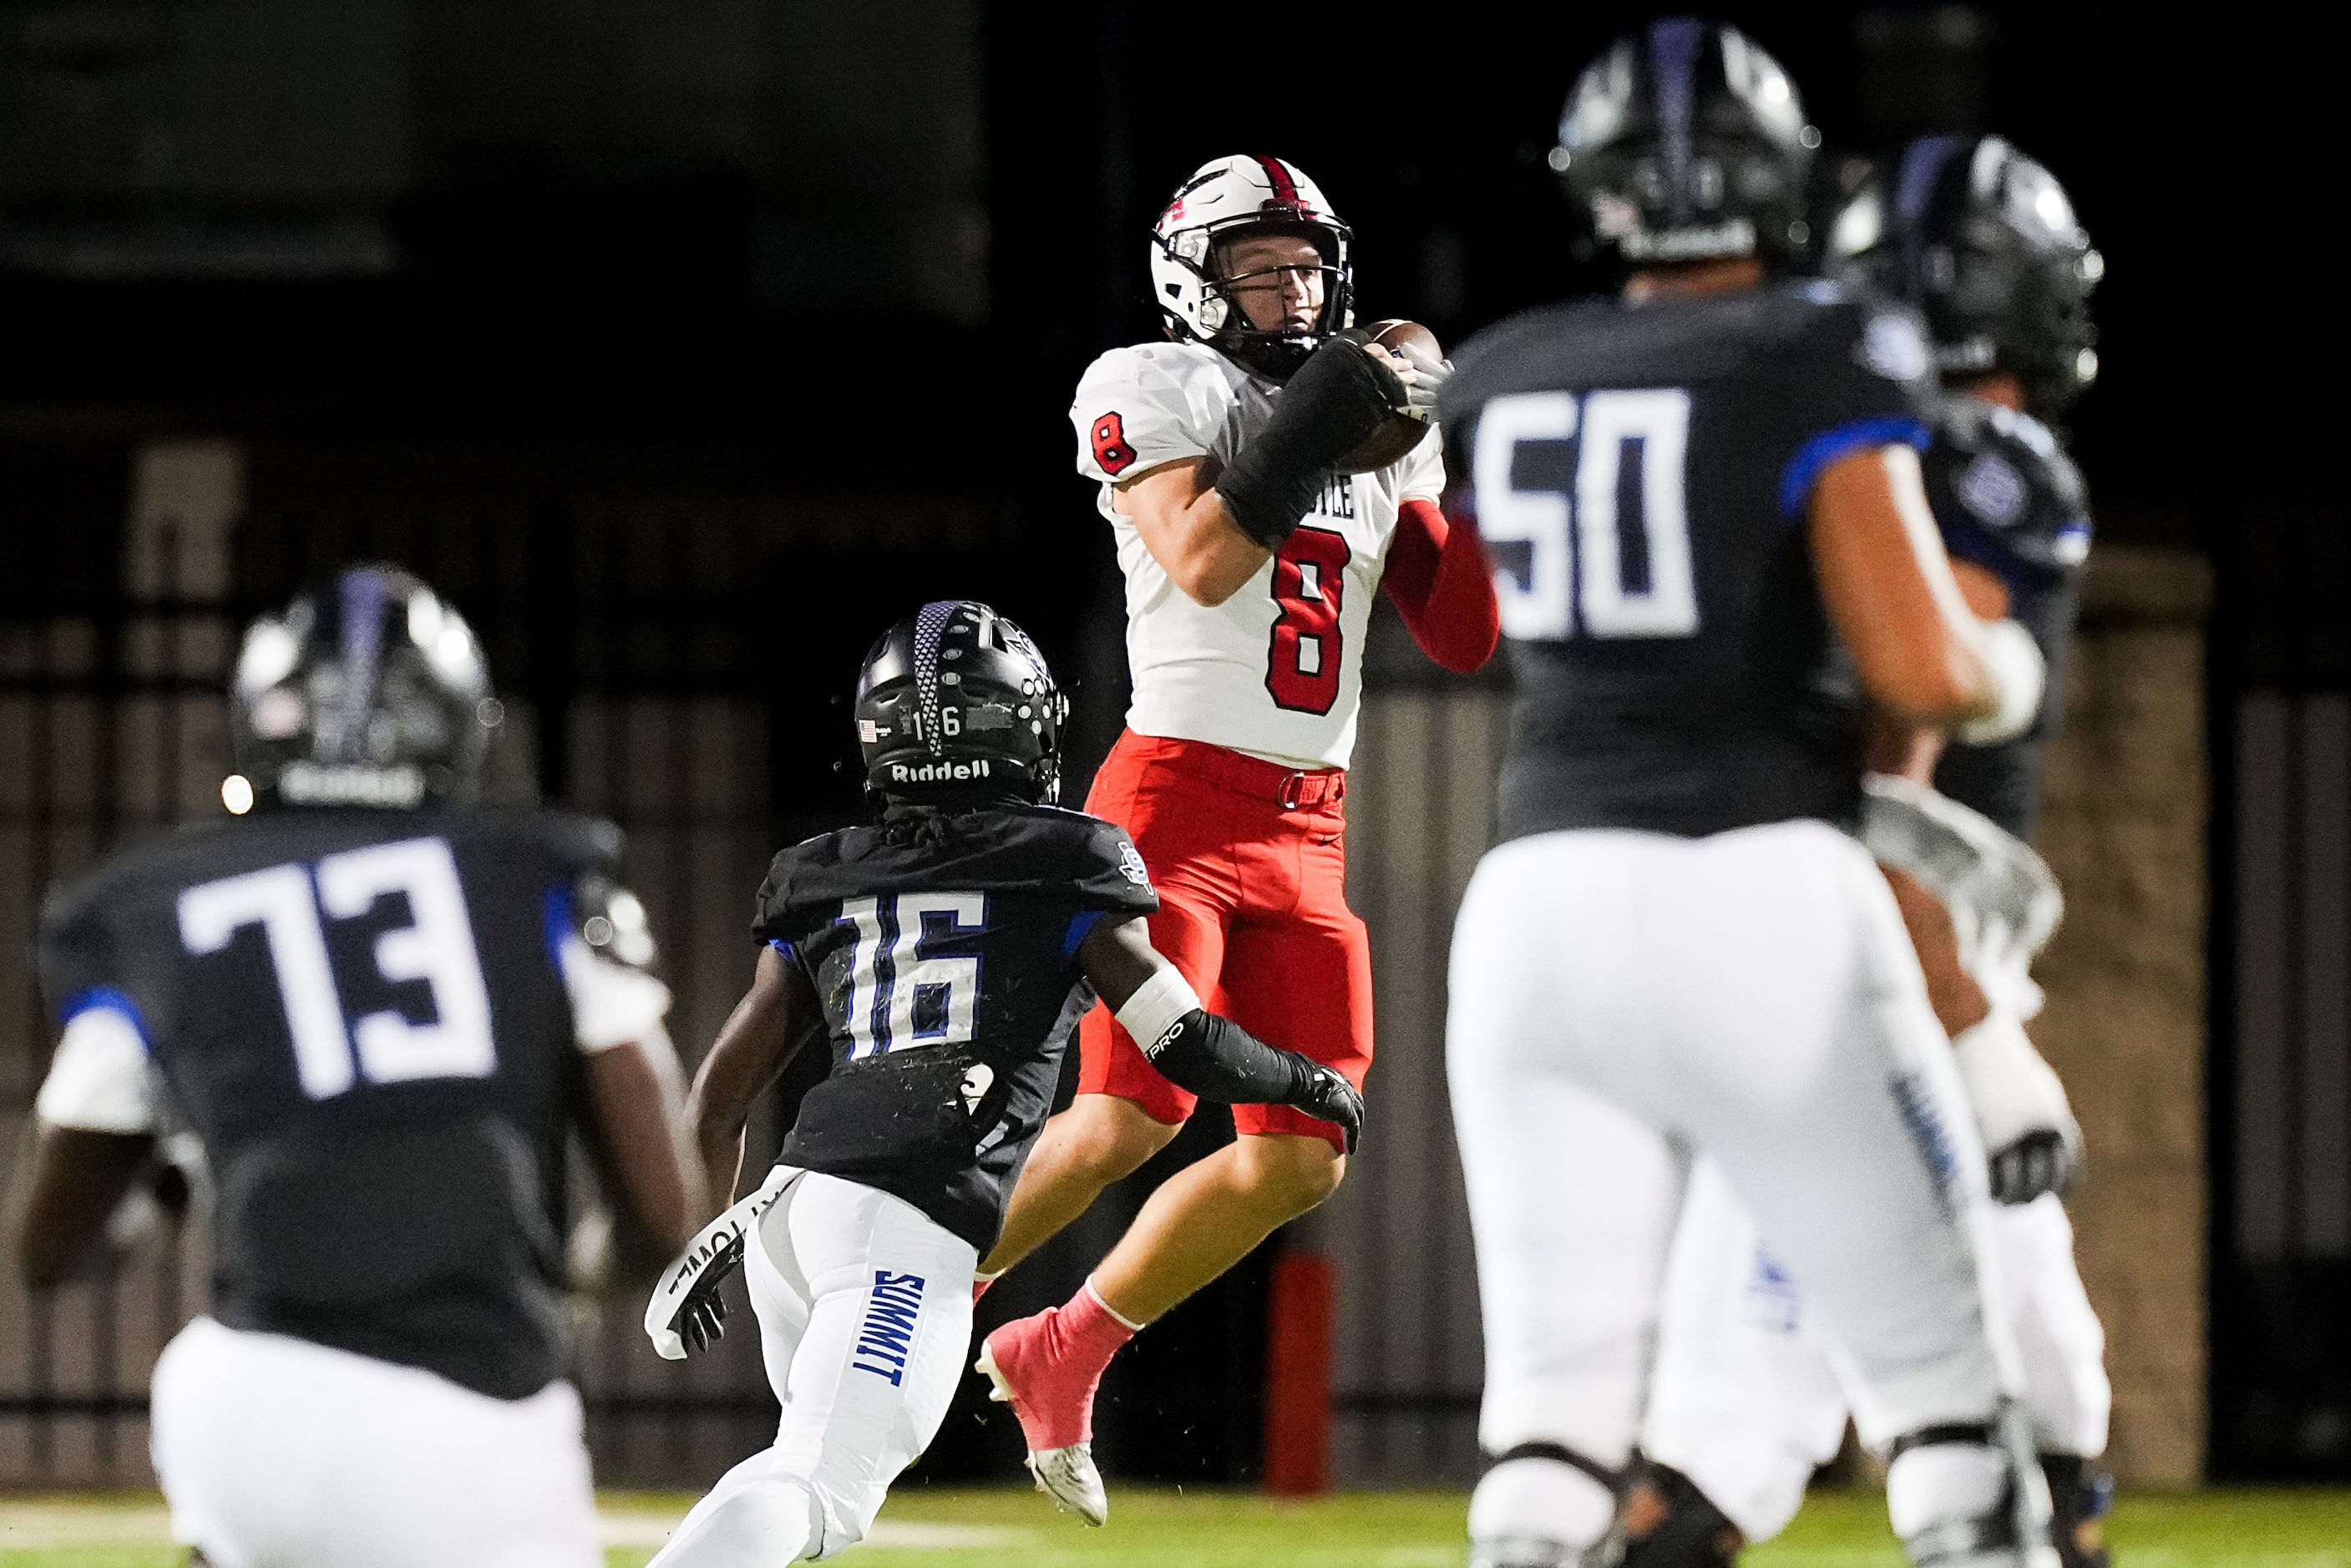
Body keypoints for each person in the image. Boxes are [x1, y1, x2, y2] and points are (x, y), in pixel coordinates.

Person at [1437, 21, 2061, 1568]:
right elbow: (1918, 666)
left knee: (1552, 1443)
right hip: (1756, 886)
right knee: (1949, 1417)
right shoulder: (1816, 351)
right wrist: (2003, 669)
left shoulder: (1501, 368)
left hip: (1531, 901)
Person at [971, 149, 1499, 1522]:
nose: (1291, 288)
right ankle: (896, 1297)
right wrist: (1322, 422)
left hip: (1308, 830)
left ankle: (1061, 1344)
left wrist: (1483, 465)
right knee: (1127, 1112)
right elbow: (1206, 555)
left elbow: (1461, 629)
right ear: (1189, 281)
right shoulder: (1150, 383)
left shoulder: (1378, 419)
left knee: (1305, 1146)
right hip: (1172, 812)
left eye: (1307, 264)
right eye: (1259, 266)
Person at [1624, 134, 2113, 1568]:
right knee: (1742, 1430)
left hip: (1802, 930)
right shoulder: (1981, 470)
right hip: (1848, 962)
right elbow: (1883, 768)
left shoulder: (1808, 445)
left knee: (2050, 1401)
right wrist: (1972, 1036)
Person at [636, 599, 1362, 1561]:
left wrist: (704, 1227)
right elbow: (1179, 1041)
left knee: (804, 1480)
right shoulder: (1069, 862)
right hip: (903, 1227)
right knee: (816, 1486)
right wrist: (1304, 1082)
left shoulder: (824, 873)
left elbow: (719, 1100)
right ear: (1023, 723)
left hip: (785, 1216)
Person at [7, 564, 700, 1568]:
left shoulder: (151, 904)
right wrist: (585, 1281)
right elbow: (658, 1209)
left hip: (235, 1403)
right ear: (462, 725)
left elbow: (50, 1254)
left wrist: (175, 1181)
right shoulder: (539, 877)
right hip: (464, 1421)